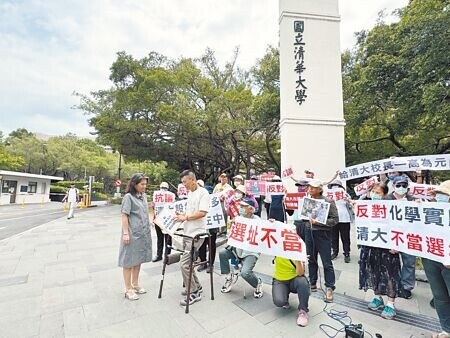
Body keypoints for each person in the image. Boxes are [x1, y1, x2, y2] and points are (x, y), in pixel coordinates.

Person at [359, 182, 401, 320]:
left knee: (390, 274)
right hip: (371, 247)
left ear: (384, 195)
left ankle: (391, 304)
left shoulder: (391, 207)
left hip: (388, 248)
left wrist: (397, 245)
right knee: (373, 272)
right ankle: (378, 297)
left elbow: (400, 226)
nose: (375, 195)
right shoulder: (366, 206)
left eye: (378, 193)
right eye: (373, 192)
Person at [173, 170, 210, 306]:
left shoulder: (203, 193)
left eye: (185, 182)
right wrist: (181, 215)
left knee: (184, 264)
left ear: (192, 180)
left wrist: (186, 217)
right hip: (187, 233)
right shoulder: (191, 193)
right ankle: (196, 287)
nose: (184, 185)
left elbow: (202, 212)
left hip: (196, 234)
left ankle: (193, 292)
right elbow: (191, 212)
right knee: (187, 264)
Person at [219, 198, 263, 298]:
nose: (241, 208)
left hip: (251, 252)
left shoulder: (257, 221)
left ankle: (257, 283)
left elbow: (264, 233)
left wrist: (270, 223)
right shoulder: (238, 219)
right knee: (222, 253)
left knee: (245, 273)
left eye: (244, 207)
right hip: (237, 249)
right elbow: (230, 235)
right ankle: (229, 276)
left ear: (251, 209)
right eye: (241, 206)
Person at [118, 173, 153, 300]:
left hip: (142, 233)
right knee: (128, 261)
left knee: (138, 260)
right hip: (132, 234)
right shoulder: (128, 197)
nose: (145, 186)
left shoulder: (143, 197)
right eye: (142, 184)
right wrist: (126, 233)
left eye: (145, 184)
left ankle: (135, 284)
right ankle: (128, 289)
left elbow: (143, 213)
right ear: (134, 184)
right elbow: (124, 215)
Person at [304, 179, 339, 303]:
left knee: (326, 262)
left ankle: (329, 287)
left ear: (320, 189)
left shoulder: (328, 201)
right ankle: (312, 282)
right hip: (309, 232)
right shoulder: (308, 201)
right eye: (309, 187)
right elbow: (304, 217)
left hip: (323, 234)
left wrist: (320, 221)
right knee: (311, 259)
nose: (310, 189)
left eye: (313, 187)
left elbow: (335, 220)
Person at [422, 180, 450, 338]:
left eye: (444, 194)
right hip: (431, 258)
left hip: (448, 263)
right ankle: (446, 329)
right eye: (438, 194)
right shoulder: (428, 210)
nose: (440, 197)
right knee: (440, 297)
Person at [385, 175, 416, 299]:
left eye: (404, 185)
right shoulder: (386, 200)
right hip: (392, 236)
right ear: (393, 186)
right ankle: (391, 285)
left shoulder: (413, 200)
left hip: (409, 236)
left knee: (409, 263)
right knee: (390, 263)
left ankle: (406, 287)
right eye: (399, 185)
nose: (401, 188)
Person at [272, 256, 310, 327]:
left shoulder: (296, 249)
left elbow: (300, 273)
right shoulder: (276, 248)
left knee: (302, 282)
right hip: (280, 280)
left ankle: (303, 310)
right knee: (279, 301)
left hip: (295, 279)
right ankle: (284, 296)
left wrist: (299, 260)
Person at [328, 179, 355, 263]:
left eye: (336, 186)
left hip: (344, 218)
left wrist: (347, 200)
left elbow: (351, 204)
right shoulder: (328, 195)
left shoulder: (345, 194)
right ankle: (335, 252)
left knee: (345, 237)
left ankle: (347, 253)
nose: (334, 187)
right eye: (333, 186)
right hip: (333, 217)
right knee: (333, 236)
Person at [197, 179, 217, 273]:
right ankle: (203, 262)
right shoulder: (200, 201)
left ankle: (211, 264)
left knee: (211, 246)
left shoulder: (214, 202)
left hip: (212, 228)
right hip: (202, 227)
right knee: (202, 245)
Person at [152, 182, 174, 262]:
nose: (163, 190)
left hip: (164, 220)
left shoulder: (159, 195)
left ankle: (164, 256)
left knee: (164, 238)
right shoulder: (158, 196)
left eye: (164, 188)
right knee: (163, 238)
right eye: (162, 188)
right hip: (162, 220)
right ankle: (162, 256)